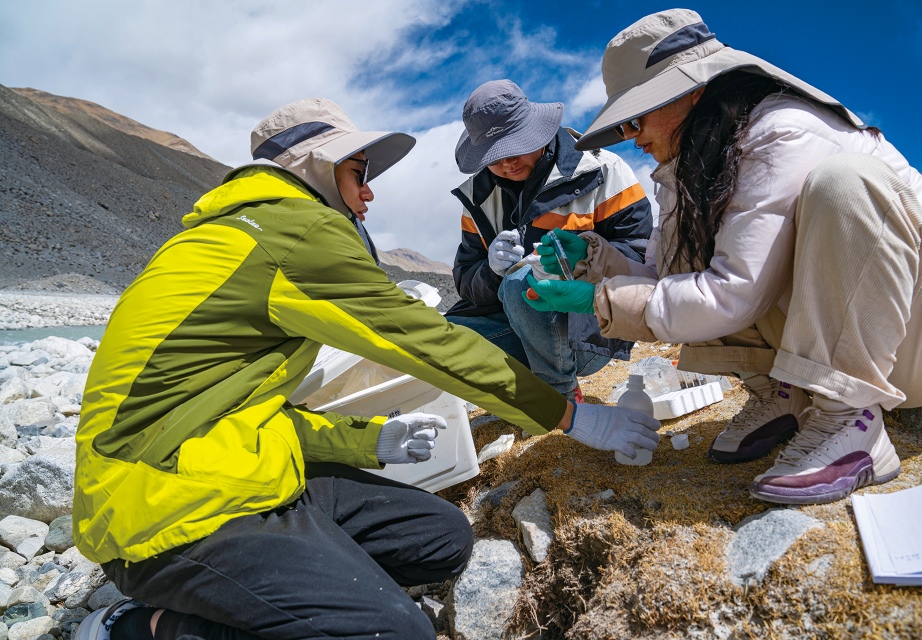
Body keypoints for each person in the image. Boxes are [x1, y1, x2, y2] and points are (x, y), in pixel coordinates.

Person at [72, 98, 661, 640]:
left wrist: (368, 439)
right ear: (315, 169)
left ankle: (295, 586)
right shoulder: (295, 230)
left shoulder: (245, 233)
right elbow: (425, 337)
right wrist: (570, 417)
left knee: (443, 541)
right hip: (163, 507)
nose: (369, 195)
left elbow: (235, 407)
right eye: (358, 174)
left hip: (237, 465)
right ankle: (139, 626)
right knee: (398, 635)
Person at [525, 9, 922, 505]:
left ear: (689, 90)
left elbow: (731, 293)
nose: (632, 135)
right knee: (700, 257)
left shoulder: (784, 130)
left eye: (636, 116)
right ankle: (784, 395)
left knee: (846, 183)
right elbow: (671, 280)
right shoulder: (688, 169)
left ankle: (850, 416)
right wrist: (599, 263)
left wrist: (598, 300)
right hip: (875, 334)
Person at [444, 79, 653, 402]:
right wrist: (490, 270)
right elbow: (467, 280)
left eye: (516, 147)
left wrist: (578, 263)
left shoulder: (602, 169)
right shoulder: (478, 198)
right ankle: (528, 386)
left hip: (592, 325)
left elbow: (640, 254)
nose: (507, 163)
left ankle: (560, 397)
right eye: (495, 156)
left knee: (519, 285)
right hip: (519, 326)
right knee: (442, 336)